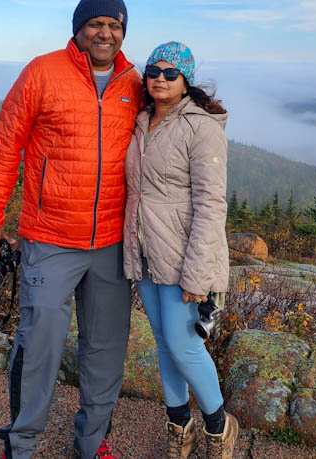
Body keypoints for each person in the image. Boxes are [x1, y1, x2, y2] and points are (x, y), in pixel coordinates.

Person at [0, 0, 144, 459]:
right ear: (78, 28)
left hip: (112, 242)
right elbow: (6, 144)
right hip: (50, 238)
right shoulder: (43, 72)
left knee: (106, 348)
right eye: (95, 24)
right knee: (39, 341)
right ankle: (21, 443)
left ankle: (91, 443)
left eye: (114, 25)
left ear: (123, 32)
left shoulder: (135, 82)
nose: (104, 33)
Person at [121, 41, 238, 459]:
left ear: (185, 79)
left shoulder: (200, 127)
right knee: (163, 341)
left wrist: (197, 274)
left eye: (171, 73)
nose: (160, 78)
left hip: (185, 258)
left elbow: (211, 205)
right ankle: (178, 425)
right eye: (153, 70)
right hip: (147, 253)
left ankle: (219, 428)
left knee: (183, 343)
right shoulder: (142, 122)